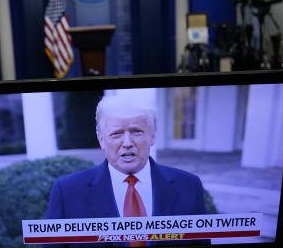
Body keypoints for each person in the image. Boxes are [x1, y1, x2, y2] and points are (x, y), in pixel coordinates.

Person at [44, 94, 208, 220]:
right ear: (101, 140)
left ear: (152, 136)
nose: (127, 143)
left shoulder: (189, 185)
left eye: (136, 131)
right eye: (117, 134)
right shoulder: (67, 192)